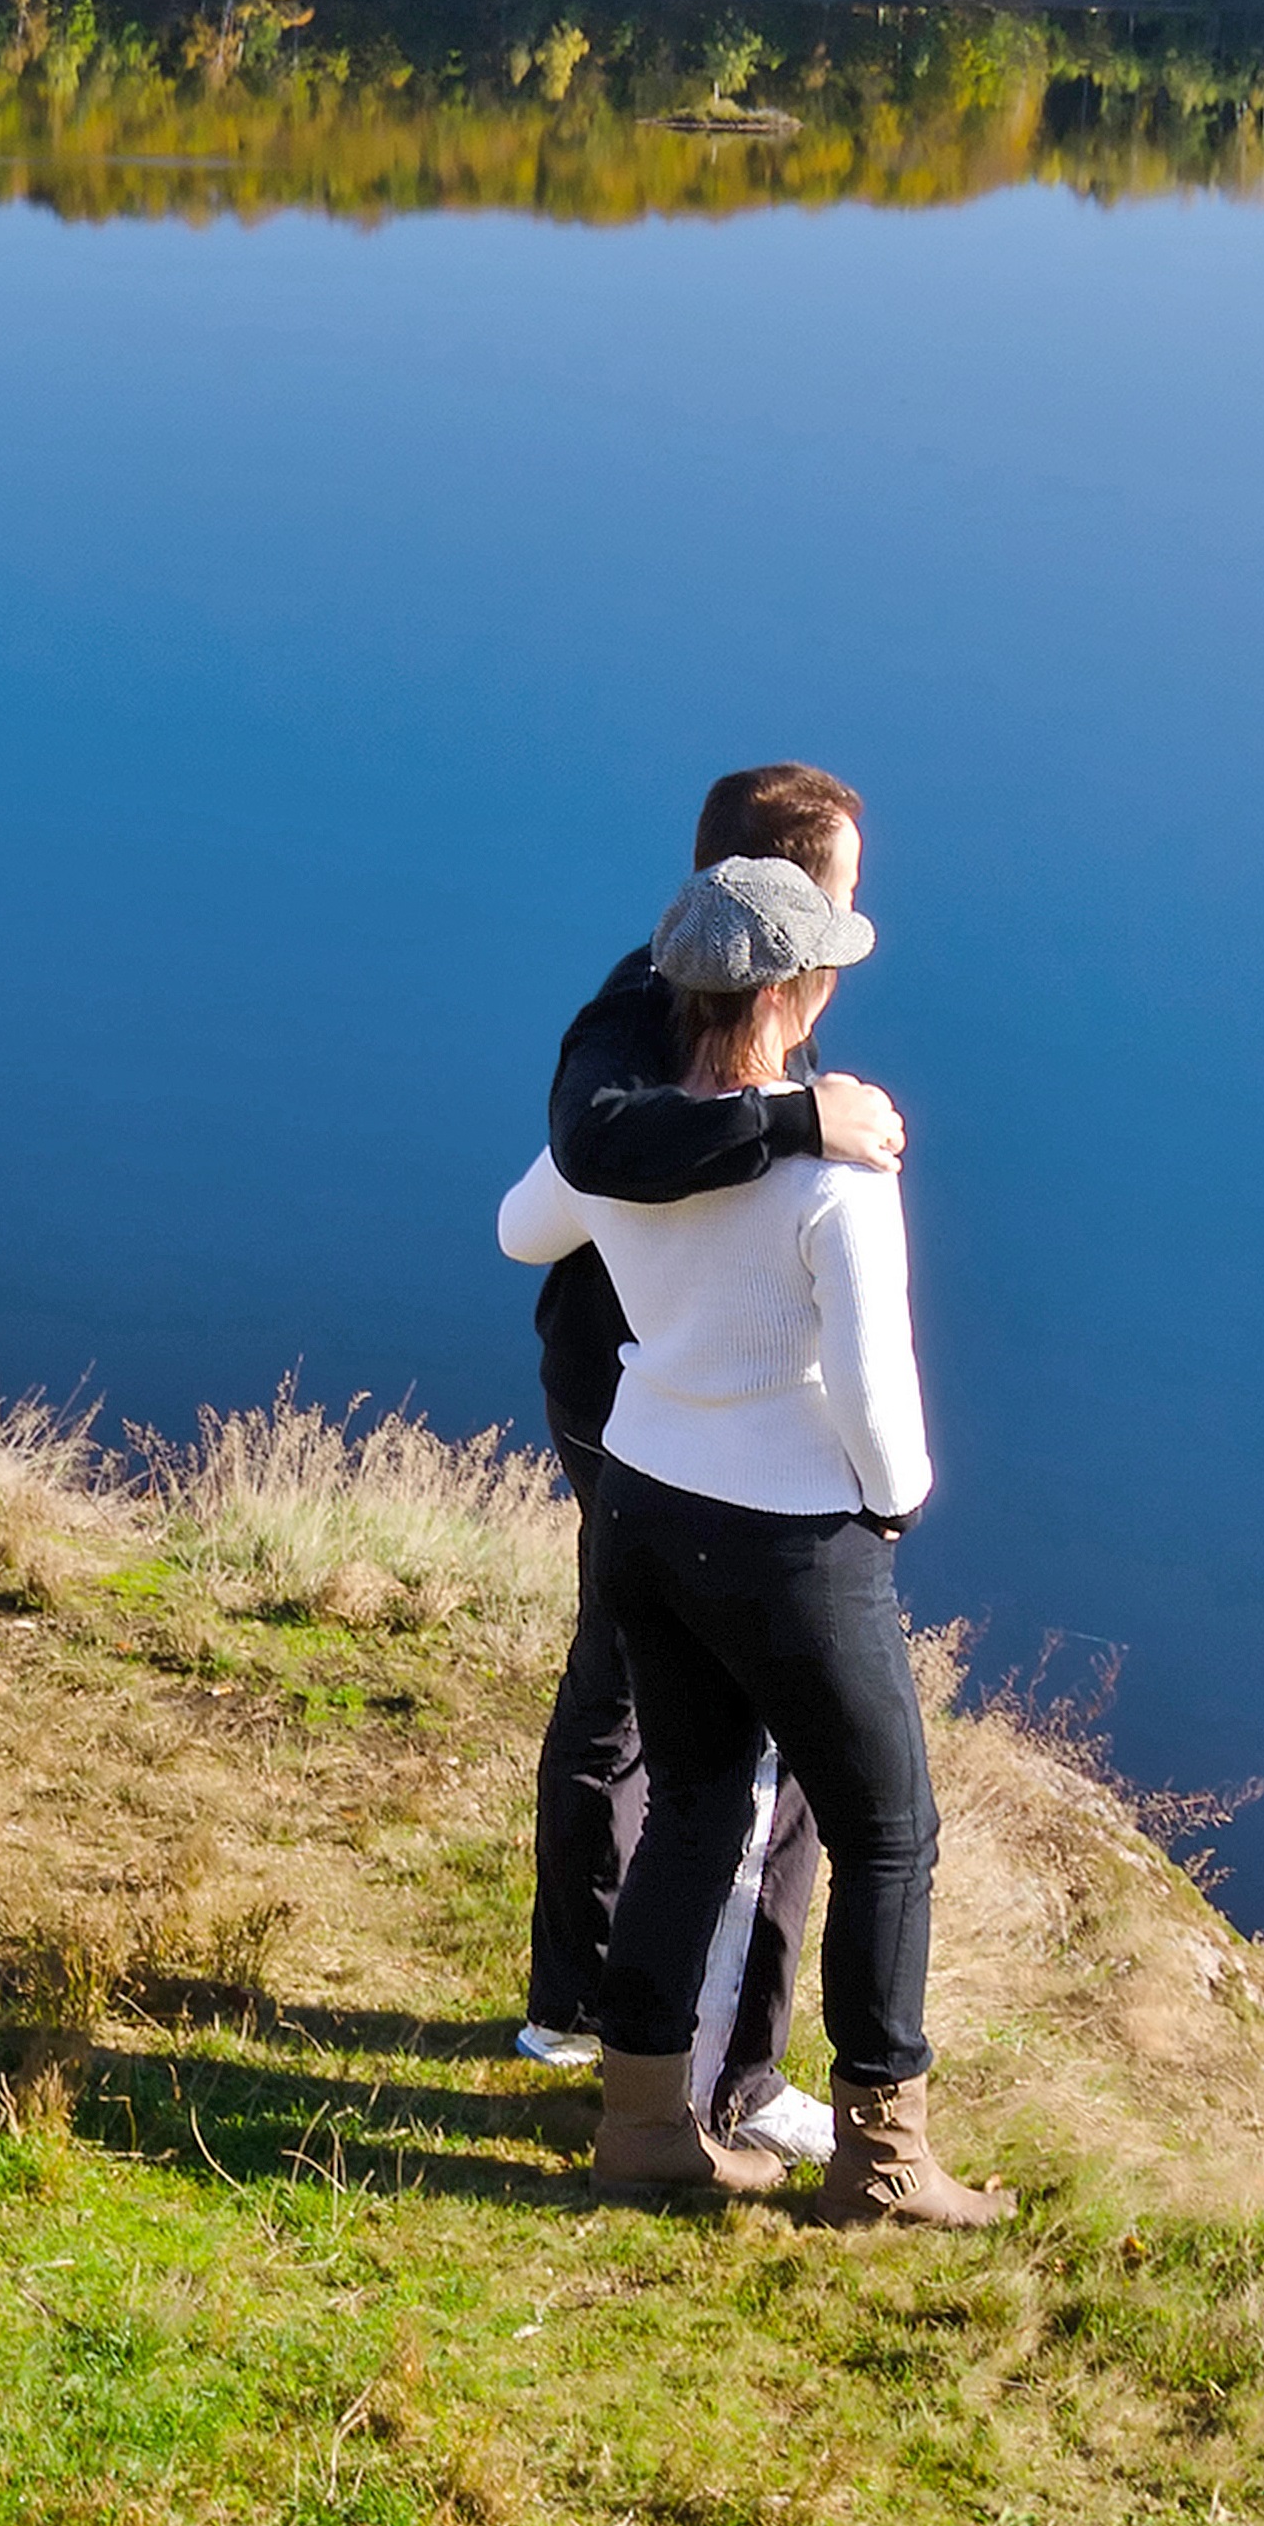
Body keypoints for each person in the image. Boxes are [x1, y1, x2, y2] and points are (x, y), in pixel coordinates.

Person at [500, 853, 1011, 2231]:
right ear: (794, 992)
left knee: (689, 1807)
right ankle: (883, 2160)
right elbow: (870, 1377)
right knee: (888, 1835)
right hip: (788, 1539)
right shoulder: (836, 1171)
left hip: (645, 1501)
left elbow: (519, 1226)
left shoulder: (621, 1138)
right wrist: (893, 1499)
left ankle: (645, 2129)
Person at [516, 766, 901, 2169]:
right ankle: (638, 2025)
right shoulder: (640, 1004)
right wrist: (800, 1126)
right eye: (846, 895)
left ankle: (627, 2021)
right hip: (649, 1407)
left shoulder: (697, 991)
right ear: (791, 901)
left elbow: (532, 1207)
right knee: (697, 1734)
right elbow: (593, 1145)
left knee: (646, 1705)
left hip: (665, 1404)